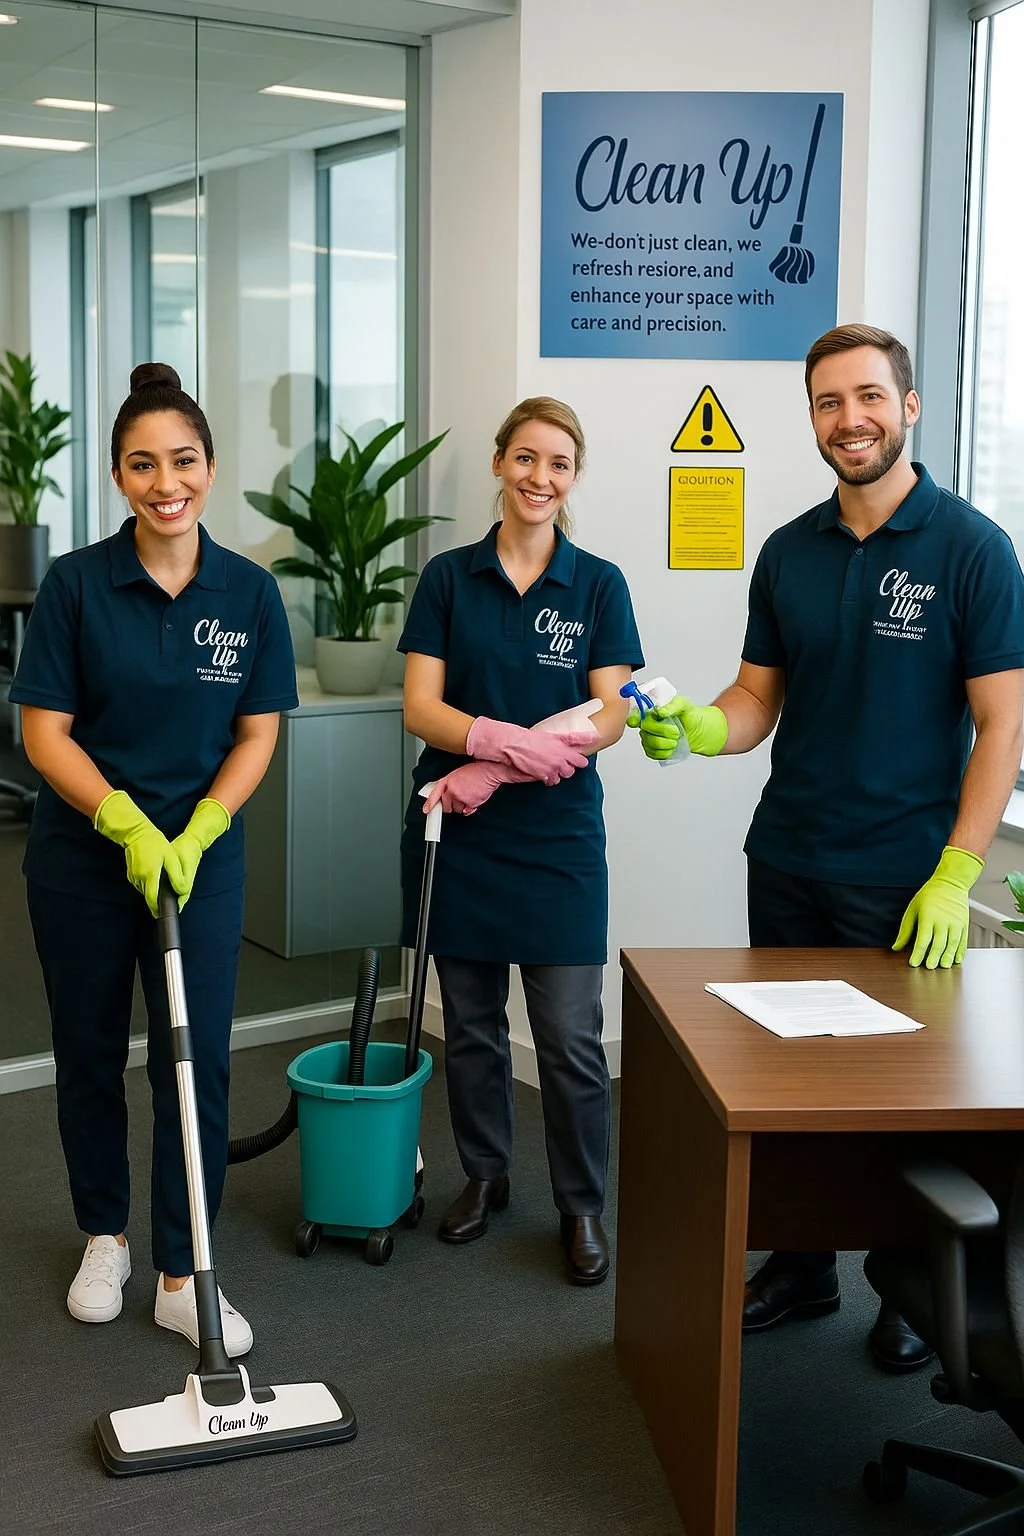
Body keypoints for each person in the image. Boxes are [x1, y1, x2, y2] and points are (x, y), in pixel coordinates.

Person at [633, 323, 1024, 1369]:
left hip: (904, 878)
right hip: (790, 857)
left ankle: (904, 1292)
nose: (847, 419)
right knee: (786, 1088)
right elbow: (756, 697)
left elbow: (1004, 725)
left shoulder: (972, 549)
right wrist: (702, 729)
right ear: (810, 418)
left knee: (901, 1099)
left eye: (865, 397)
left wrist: (955, 873)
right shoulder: (790, 550)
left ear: (908, 407)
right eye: (825, 402)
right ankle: (803, 1269)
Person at [11, 363, 298, 1355]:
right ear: (120, 477)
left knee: (196, 1060)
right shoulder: (78, 585)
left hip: (202, 861)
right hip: (85, 857)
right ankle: (107, 1236)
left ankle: (184, 1269)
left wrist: (203, 828)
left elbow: (256, 735)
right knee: (90, 1050)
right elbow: (44, 732)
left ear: (210, 469)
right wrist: (125, 823)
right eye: (142, 464)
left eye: (182, 460)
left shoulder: (250, 593)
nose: (164, 481)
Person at [399, 397, 644, 1285]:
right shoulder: (448, 579)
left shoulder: (598, 583)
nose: (542, 477)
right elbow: (419, 707)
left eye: (561, 464)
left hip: (558, 839)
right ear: (500, 463)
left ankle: (582, 1207)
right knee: (468, 1027)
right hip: (457, 832)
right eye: (527, 458)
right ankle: (485, 1176)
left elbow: (611, 713)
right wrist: (497, 740)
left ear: (573, 478)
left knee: (571, 1036)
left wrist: (498, 765)